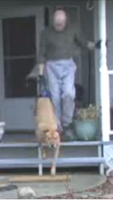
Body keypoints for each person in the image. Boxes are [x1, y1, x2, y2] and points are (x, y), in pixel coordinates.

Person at [37, 9, 99, 141]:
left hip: (68, 65)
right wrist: (41, 75)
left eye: (61, 24)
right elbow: (41, 53)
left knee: (68, 94)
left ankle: (67, 124)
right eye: (56, 24)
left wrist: (96, 45)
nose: (58, 26)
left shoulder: (73, 30)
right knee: (55, 97)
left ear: (65, 21)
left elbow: (84, 42)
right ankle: (57, 128)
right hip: (51, 66)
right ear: (53, 21)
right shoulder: (46, 33)